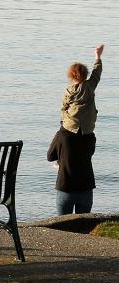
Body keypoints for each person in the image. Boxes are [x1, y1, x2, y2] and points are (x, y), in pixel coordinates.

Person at [47, 44, 104, 215]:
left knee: (60, 151)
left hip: (69, 129)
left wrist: (64, 119)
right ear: (85, 76)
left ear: (71, 77)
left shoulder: (69, 91)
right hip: (86, 130)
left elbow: (64, 107)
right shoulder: (90, 87)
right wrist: (97, 57)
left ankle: (61, 163)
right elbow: (97, 74)